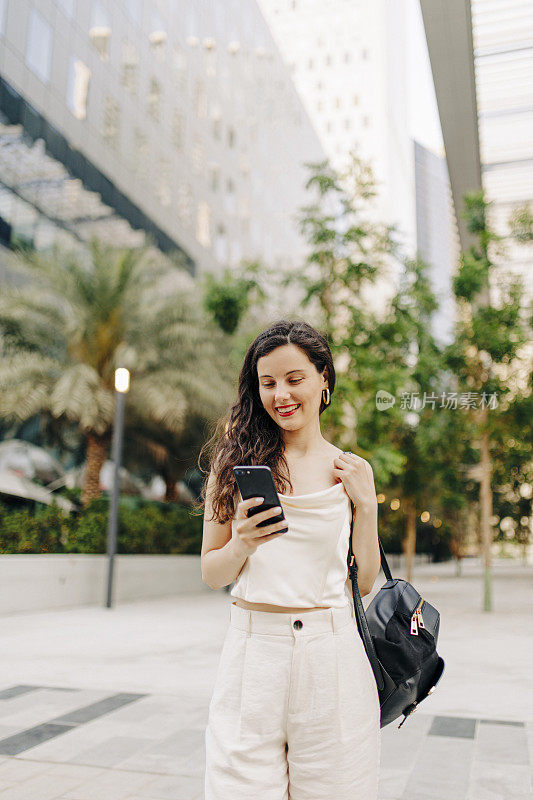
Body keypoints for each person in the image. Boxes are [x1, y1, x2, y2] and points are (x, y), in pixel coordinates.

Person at [199, 319, 382, 800]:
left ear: (323, 379)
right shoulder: (234, 465)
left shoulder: (351, 470)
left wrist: (369, 507)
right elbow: (211, 572)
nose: (281, 393)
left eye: (294, 379)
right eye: (268, 382)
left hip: (332, 654)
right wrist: (241, 543)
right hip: (252, 654)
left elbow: (365, 584)